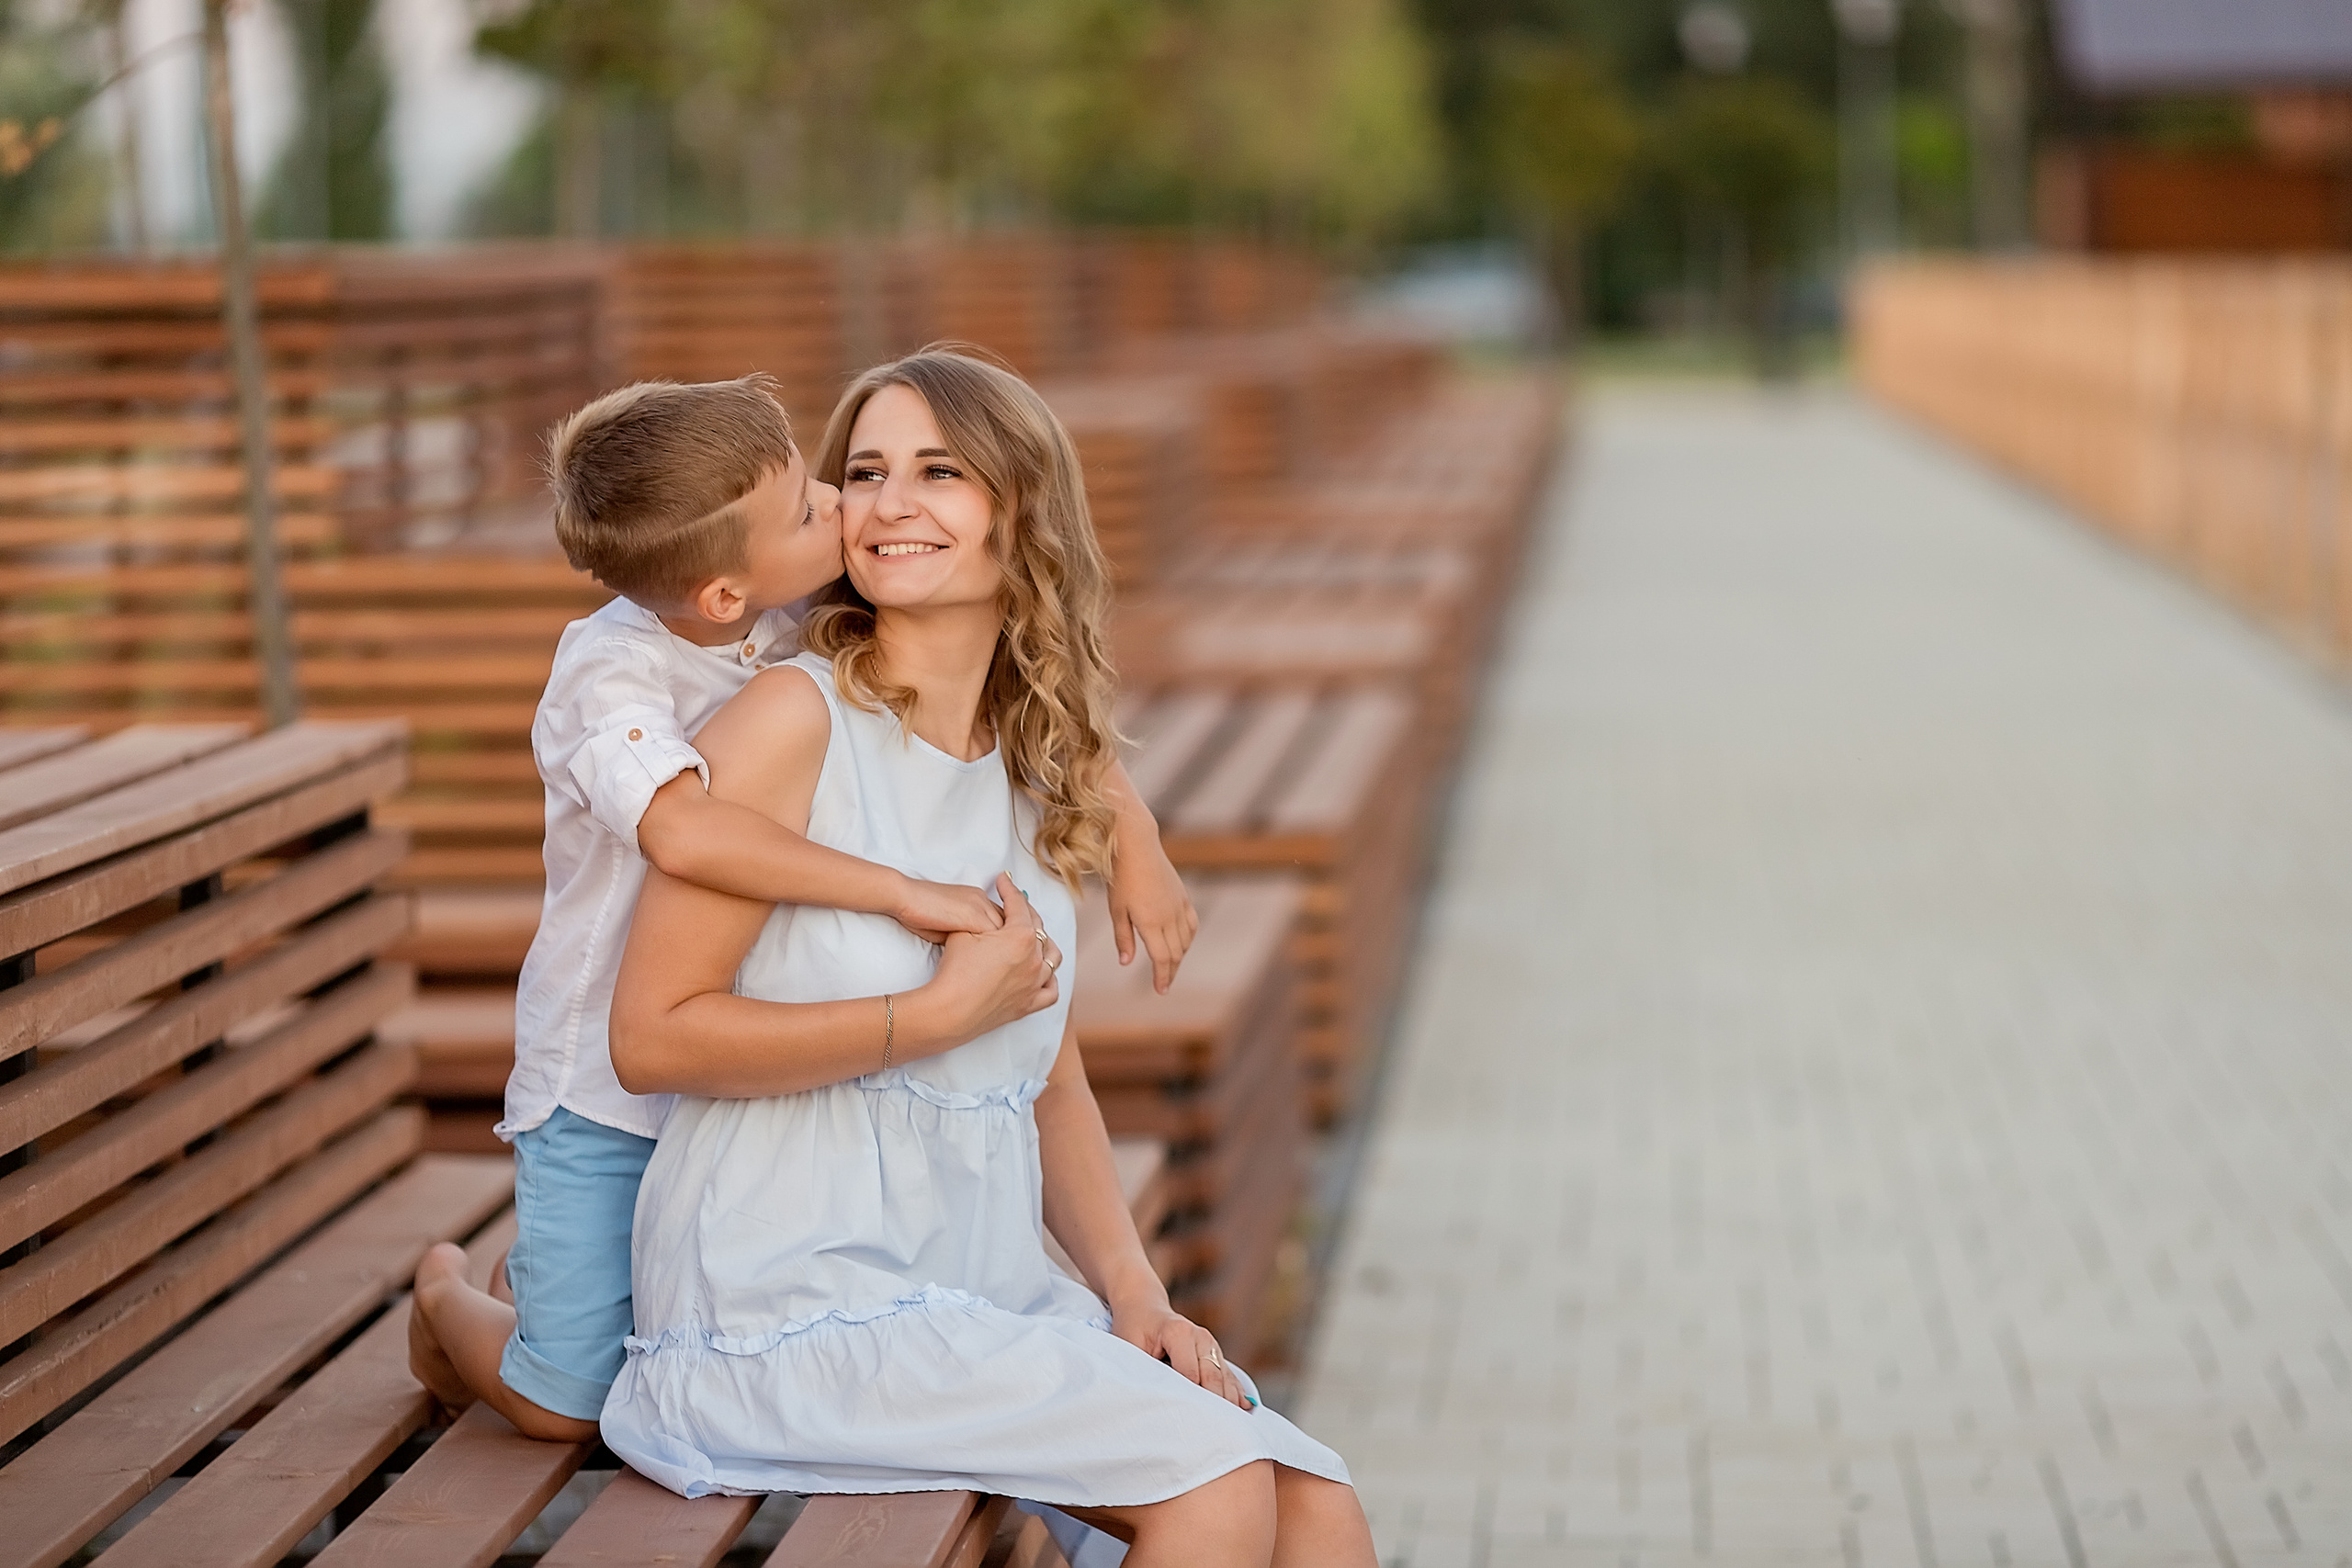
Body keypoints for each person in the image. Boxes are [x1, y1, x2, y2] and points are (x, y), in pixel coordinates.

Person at [601, 349, 1375, 1567]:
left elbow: (1044, 1072)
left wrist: (1135, 1293)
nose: (888, 503)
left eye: (939, 472)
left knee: (1318, 1507)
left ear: (1023, 512)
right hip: (786, 1294)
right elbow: (650, 1035)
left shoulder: (1030, 762)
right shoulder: (792, 723)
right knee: (1218, 1489)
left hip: (980, 1284)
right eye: (864, 472)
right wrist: (927, 1017)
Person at [407, 374, 1199, 1443]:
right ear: (722, 592)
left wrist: (1134, 835)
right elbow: (686, 836)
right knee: (570, 1398)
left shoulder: (766, 615)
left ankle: (547, 1283)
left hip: (729, 1081)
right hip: (599, 1081)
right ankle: (446, 1304)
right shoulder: (612, 677)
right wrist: (899, 891)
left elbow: (1027, 682)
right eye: (815, 502)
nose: (842, 504)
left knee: (634, 1307)